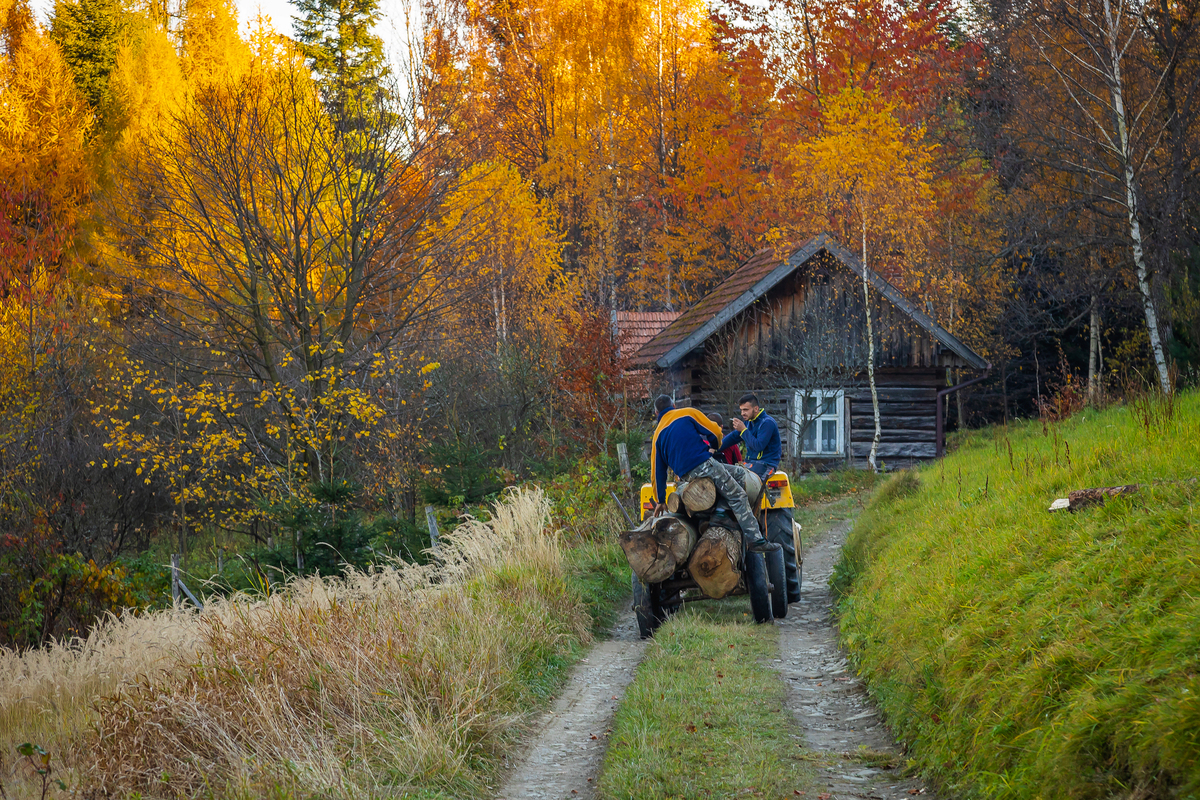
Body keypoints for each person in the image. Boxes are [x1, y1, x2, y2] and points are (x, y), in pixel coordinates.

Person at [650, 395, 769, 551]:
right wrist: (714, 446)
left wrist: (660, 499)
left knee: (739, 473)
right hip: (704, 464)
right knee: (738, 496)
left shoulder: (657, 436)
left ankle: (721, 509)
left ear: (656, 412)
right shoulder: (687, 413)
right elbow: (714, 431)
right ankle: (755, 539)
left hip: (687, 476)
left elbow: (657, 472)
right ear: (673, 404)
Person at [721, 392, 781, 479]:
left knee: (745, 486)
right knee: (726, 477)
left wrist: (744, 430)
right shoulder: (748, 423)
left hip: (766, 464)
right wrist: (713, 447)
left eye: (745, 410)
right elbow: (732, 438)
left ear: (756, 409)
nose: (742, 413)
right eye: (741, 410)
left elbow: (758, 446)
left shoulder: (767, 423)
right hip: (750, 463)